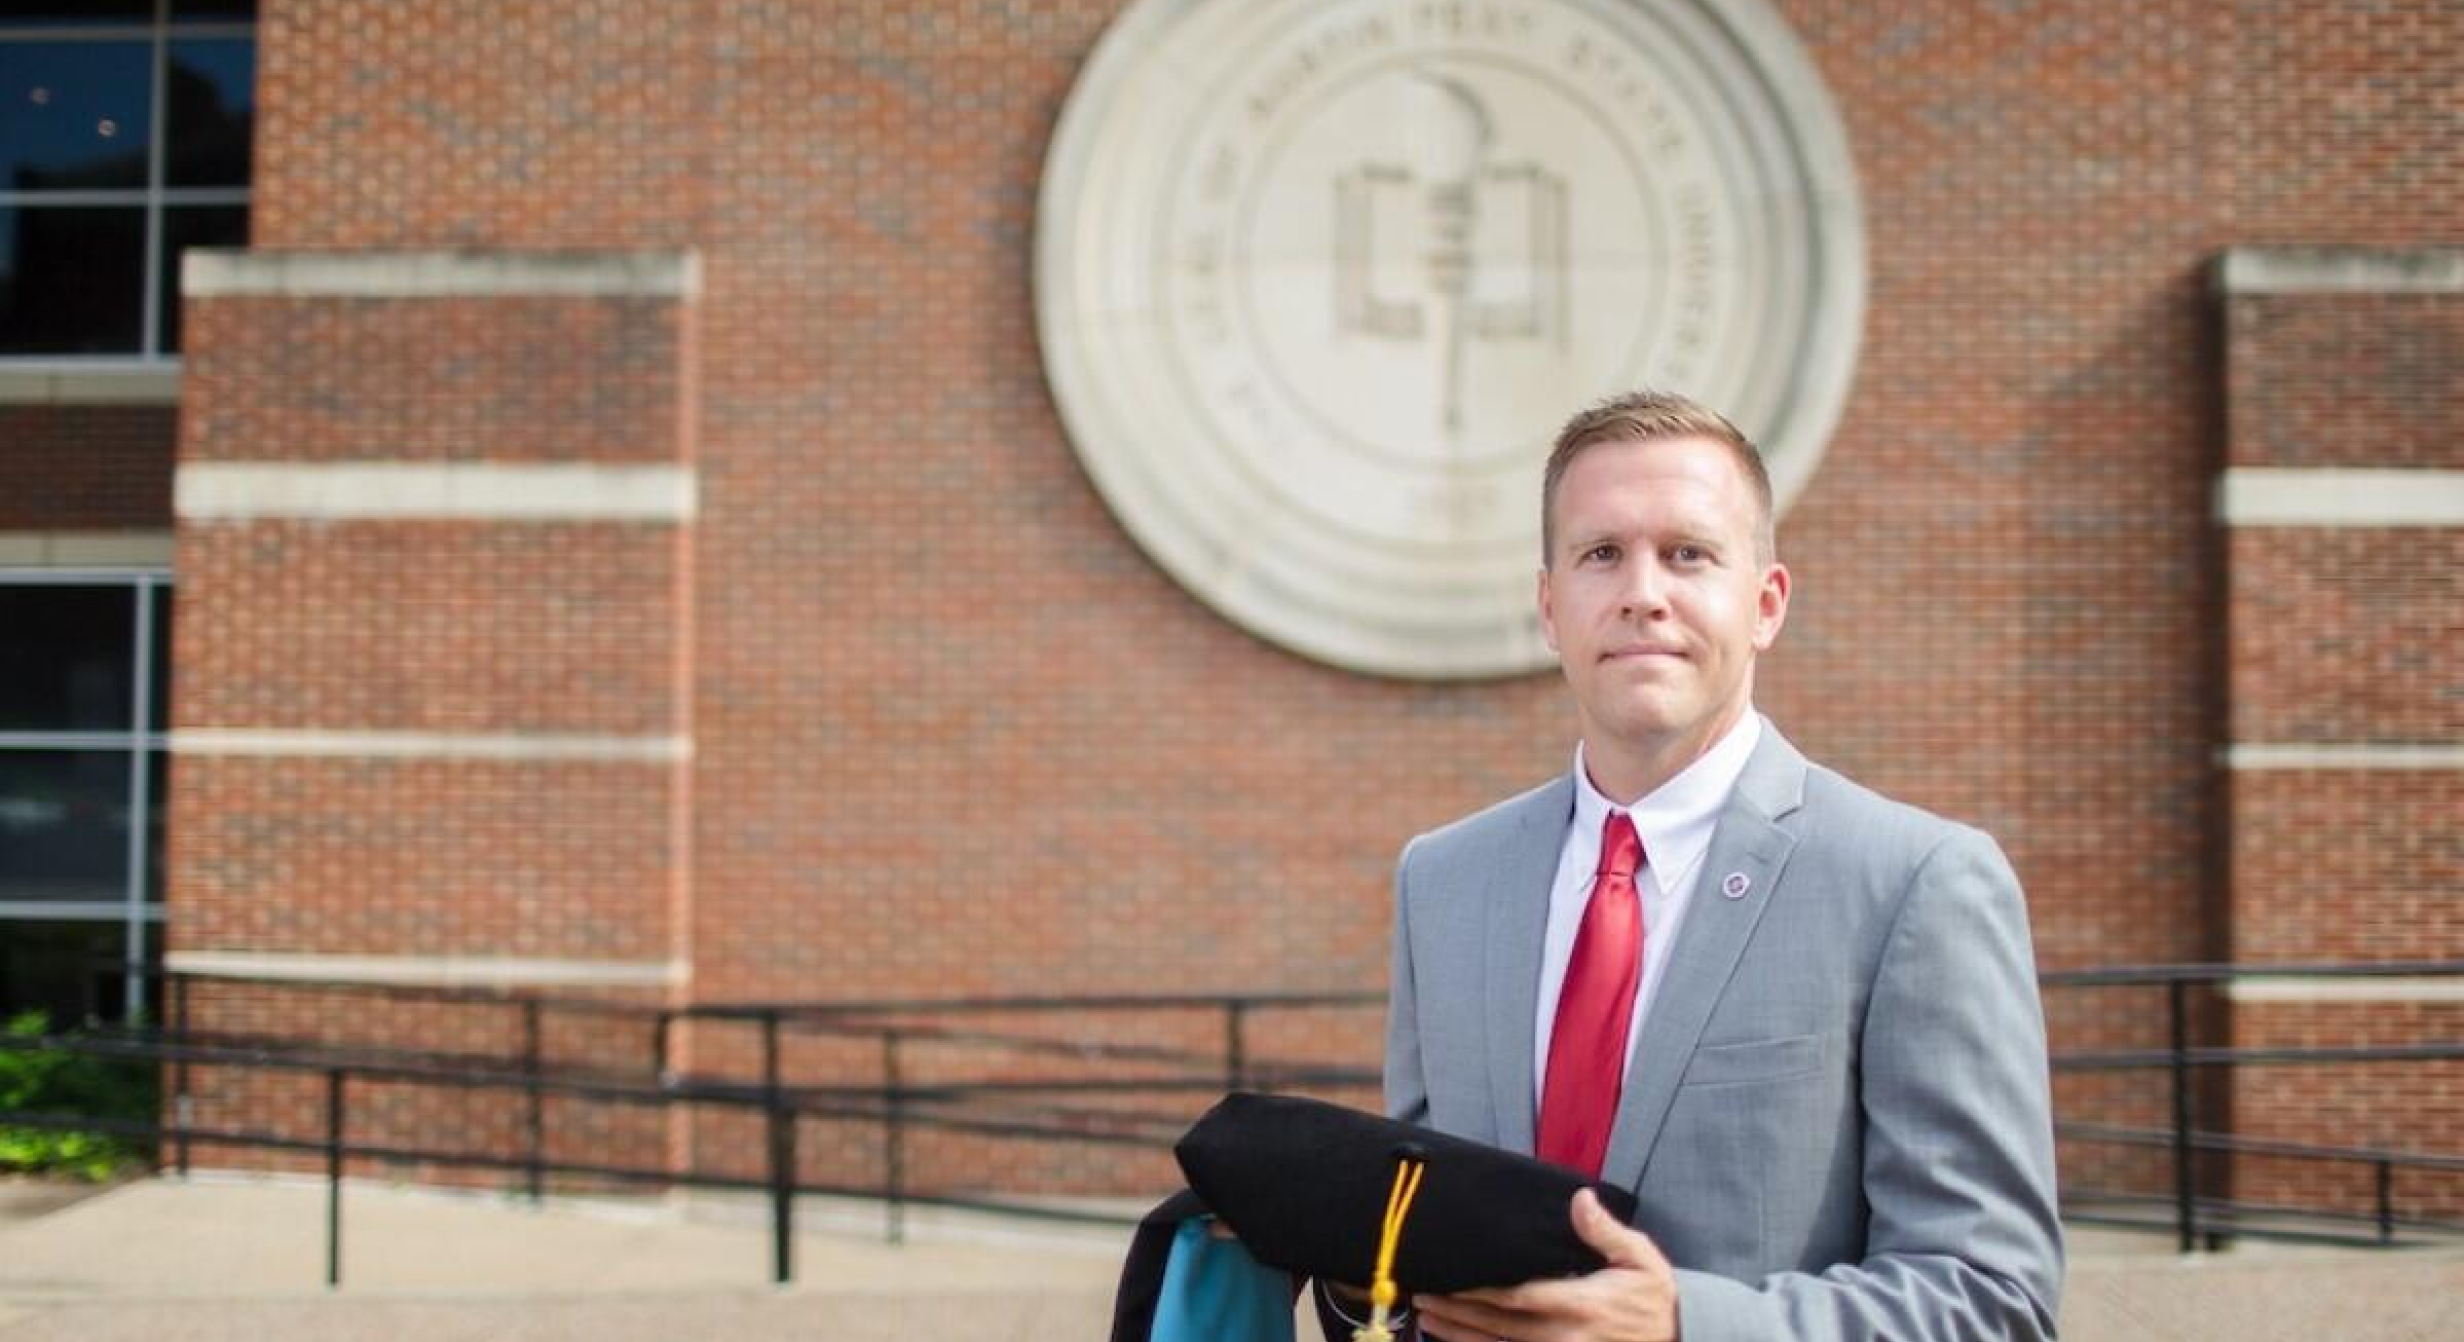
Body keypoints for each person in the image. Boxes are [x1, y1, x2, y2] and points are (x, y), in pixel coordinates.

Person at [1361, 391, 2062, 1342]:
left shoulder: (1916, 884)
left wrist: (1686, 1324)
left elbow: (1994, 1301)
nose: (1642, 591)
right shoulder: (1443, 884)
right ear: (1550, 607)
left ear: (1765, 604)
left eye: (1688, 554)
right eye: (1601, 553)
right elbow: (1415, 1244)